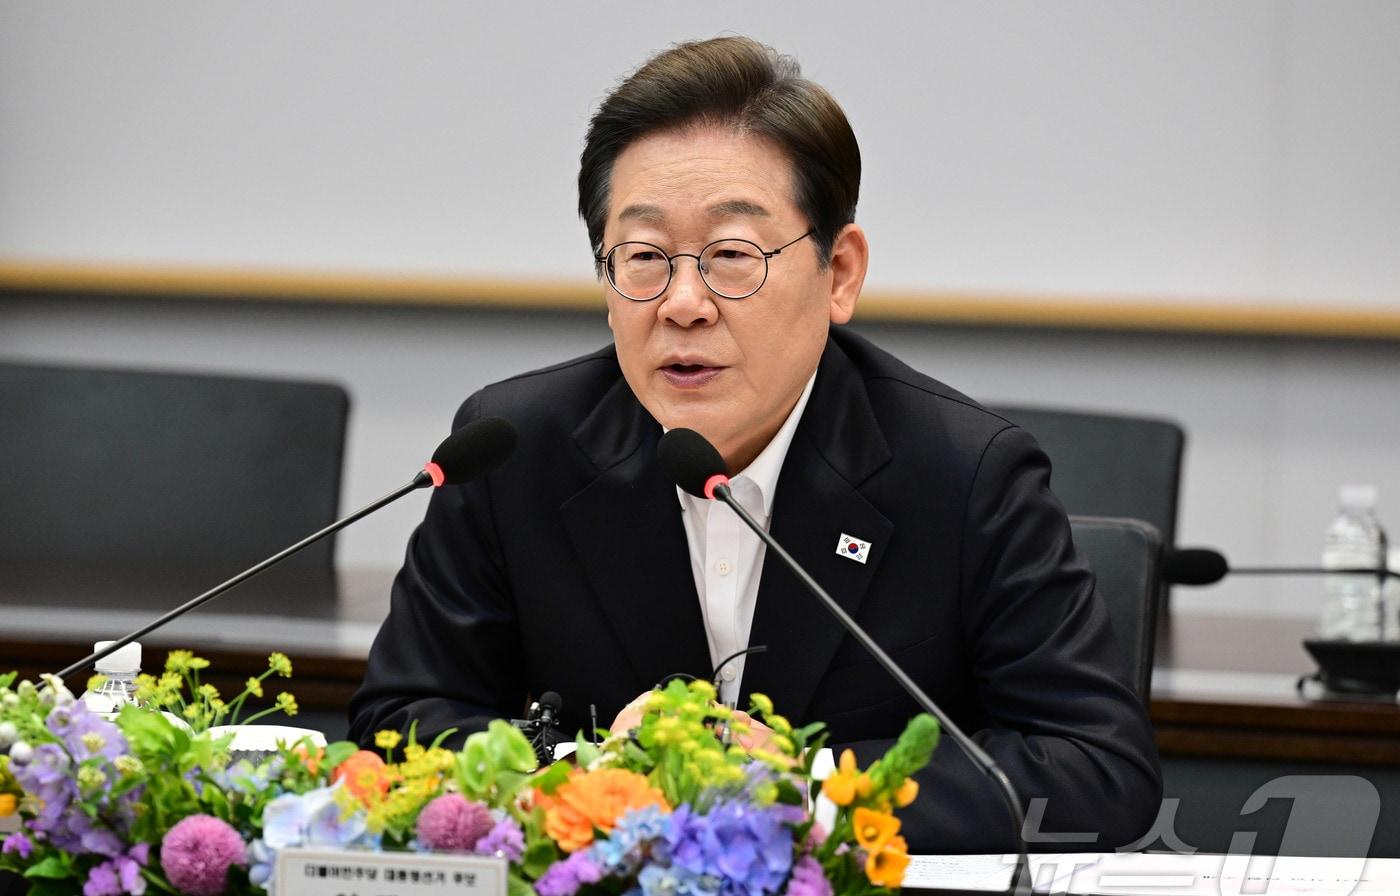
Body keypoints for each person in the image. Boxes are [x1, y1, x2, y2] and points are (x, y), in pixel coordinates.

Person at [350, 36, 1161, 853]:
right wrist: (589, 776)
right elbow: (399, 719)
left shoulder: (964, 474)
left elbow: (1098, 769)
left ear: (840, 272)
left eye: (732, 255)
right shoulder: (515, 453)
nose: (683, 303)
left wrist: (805, 789)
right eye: (644, 257)